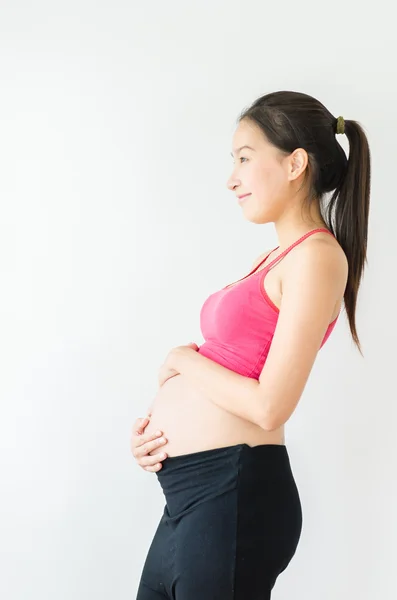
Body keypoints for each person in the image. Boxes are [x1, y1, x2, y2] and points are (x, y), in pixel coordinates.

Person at [130, 90, 371, 599]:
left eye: (244, 158)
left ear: (295, 163)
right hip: (190, 497)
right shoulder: (274, 258)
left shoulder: (317, 258)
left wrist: (181, 361)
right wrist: (156, 439)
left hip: (233, 493)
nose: (231, 179)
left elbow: (269, 405)